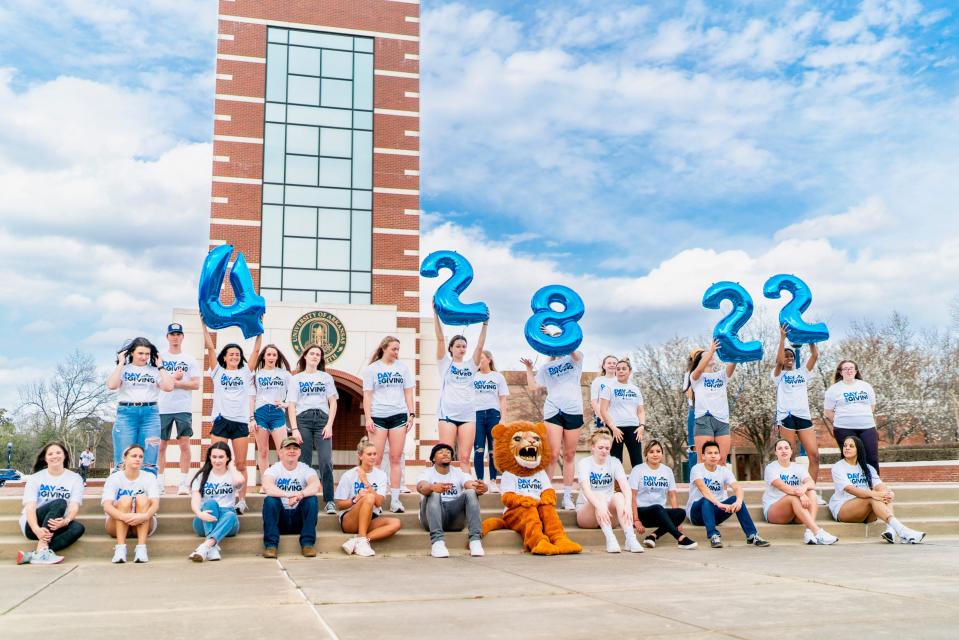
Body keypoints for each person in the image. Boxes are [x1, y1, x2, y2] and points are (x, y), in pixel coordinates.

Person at [202, 324, 261, 515]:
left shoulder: (245, 373)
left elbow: (257, 350)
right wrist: (203, 325)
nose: (235, 356)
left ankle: (241, 500)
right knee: (215, 461)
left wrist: (259, 327)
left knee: (241, 464)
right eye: (231, 354)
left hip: (240, 423)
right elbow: (210, 348)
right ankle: (212, 498)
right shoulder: (218, 372)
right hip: (221, 421)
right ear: (225, 357)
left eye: (237, 354)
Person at [520, 348, 584, 511]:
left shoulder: (574, 359)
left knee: (569, 454)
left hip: (574, 410)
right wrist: (529, 369)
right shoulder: (546, 367)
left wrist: (560, 338)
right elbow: (533, 386)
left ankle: (567, 496)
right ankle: (547, 493)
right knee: (553, 453)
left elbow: (574, 353)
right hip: (553, 410)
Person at [830, 435, 925, 543]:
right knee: (872, 497)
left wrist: (888, 493)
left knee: (884, 496)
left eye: (851, 446)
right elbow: (849, 489)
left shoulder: (867, 468)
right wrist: (873, 494)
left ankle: (891, 530)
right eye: (845, 446)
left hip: (866, 511)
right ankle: (902, 531)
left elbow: (879, 485)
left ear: (858, 450)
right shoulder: (838, 467)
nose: (846, 448)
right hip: (844, 508)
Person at [362, 336, 415, 513]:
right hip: (378, 416)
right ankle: (376, 500)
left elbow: (408, 392)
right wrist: (368, 418)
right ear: (384, 348)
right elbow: (367, 396)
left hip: (398, 416)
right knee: (375, 460)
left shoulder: (403, 368)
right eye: (394, 349)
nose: (396, 352)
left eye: (398, 349)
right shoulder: (372, 369)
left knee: (395, 458)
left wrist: (411, 414)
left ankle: (395, 500)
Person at [107, 337, 175, 476]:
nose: (144, 357)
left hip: (150, 415)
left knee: (149, 460)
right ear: (132, 353)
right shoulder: (124, 369)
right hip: (126, 414)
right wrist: (121, 363)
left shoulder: (154, 371)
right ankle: (121, 494)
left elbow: (168, 387)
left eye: (147, 354)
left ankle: (146, 494)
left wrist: (160, 366)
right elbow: (112, 385)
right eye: (140, 353)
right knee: (123, 459)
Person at [773, 325, 823, 503]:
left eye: (791, 356)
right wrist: (782, 338)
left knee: (814, 455)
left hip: (803, 416)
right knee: (790, 455)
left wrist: (810, 339)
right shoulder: (778, 375)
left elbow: (815, 356)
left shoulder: (802, 373)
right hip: (786, 416)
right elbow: (779, 362)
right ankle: (791, 491)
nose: (788, 358)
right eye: (786, 356)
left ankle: (811, 491)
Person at [433, 309, 489, 473]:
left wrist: (485, 324)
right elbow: (440, 339)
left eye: (464, 346)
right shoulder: (445, 363)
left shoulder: (471, 365)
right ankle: (444, 492)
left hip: (468, 415)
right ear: (451, 349)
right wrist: (435, 314)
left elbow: (480, 345)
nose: (462, 349)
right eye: (458, 346)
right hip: (448, 415)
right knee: (445, 456)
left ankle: (467, 493)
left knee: (465, 458)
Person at [686, 440, 769, 548]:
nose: (713, 456)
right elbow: (704, 490)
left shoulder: (724, 471)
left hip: (716, 512)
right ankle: (713, 536)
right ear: (703, 456)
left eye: (716, 453)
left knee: (735, 499)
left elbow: (737, 487)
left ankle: (752, 535)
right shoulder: (697, 469)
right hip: (696, 513)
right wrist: (719, 504)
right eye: (709, 453)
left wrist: (738, 502)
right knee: (707, 500)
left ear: (719, 456)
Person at [287, 344, 339, 515]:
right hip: (303, 420)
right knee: (304, 461)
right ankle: (303, 499)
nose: (315, 356)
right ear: (305, 357)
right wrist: (294, 429)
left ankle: (329, 500)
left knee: (326, 461)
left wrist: (330, 424)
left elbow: (333, 402)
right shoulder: (296, 379)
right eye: (312, 353)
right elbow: (292, 405)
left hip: (322, 420)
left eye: (318, 354)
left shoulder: (326, 377)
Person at [16, 442, 85, 565]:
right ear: (45, 458)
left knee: (78, 528)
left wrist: (66, 521)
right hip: (33, 525)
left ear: (65, 455)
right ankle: (42, 547)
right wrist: (36, 529)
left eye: (58, 453)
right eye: (50, 454)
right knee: (60, 503)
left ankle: (35, 554)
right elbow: (30, 508)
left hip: (56, 525)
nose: (55, 456)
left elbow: (74, 505)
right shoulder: (35, 478)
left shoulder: (75, 478)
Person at [575, 429, 643, 553]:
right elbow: (586, 489)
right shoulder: (584, 463)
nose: (604, 451)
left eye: (607, 448)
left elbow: (625, 487)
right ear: (593, 447)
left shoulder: (614, 462)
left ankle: (630, 539)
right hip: (588, 514)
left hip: (609, 514)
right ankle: (610, 539)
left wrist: (628, 505)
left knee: (619, 496)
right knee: (599, 496)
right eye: (601, 447)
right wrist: (599, 506)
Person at [417, 443, 487, 558]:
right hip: (431, 518)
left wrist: (480, 487)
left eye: (448, 452)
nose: (445, 453)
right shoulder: (426, 473)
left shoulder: (458, 473)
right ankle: (437, 543)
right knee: (433, 493)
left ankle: (475, 541)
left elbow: (469, 484)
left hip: (455, 519)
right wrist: (432, 487)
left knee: (470, 492)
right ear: (433, 458)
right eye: (441, 452)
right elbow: (421, 487)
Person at [762, 439, 837, 545]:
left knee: (811, 492)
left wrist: (805, 487)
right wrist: (801, 493)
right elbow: (783, 487)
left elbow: (811, 483)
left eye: (786, 448)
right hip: (774, 511)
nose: (783, 451)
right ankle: (818, 533)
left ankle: (809, 532)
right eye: (780, 448)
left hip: (797, 510)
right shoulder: (771, 468)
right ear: (775, 453)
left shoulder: (798, 467)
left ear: (791, 451)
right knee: (792, 497)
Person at [335, 439, 402, 557]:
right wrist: (355, 499)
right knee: (369, 497)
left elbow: (379, 502)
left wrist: (366, 481)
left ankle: (361, 541)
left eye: (374, 454)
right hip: (350, 519)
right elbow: (339, 504)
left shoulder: (381, 475)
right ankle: (361, 540)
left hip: (370, 517)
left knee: (396, 523)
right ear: (360, 456)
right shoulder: (349, 475)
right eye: (369, 454)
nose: (373, 457)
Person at [629, 440, 697, 549]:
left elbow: (672, 496)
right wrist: (636, 520)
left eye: (658, 451)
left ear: (662, 453)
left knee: (680, 513)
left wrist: (678, 521)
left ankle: (653, 536)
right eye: (651, 452)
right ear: (646, 454)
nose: (655, 454)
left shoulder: (667, 471)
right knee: (657, 507)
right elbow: (632, 496)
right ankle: (680, 538)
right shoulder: (638, 470)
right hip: (642, 513)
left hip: (660, 514)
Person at [157, 323, 201, 496]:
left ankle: (183, 484)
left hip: (183, 407)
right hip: (163, 408)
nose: (175, 337)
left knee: (184, 445)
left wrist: (175, 383)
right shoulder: (160, 358)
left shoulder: (189, 359)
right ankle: (159, 483)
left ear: (182, 337)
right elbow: (157, 383)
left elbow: (196, 384)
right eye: (172, 334)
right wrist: (172, 379)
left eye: (178, 334)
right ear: (167, 337)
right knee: (160, 446)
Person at [261, 437, 320, 558]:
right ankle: (271, 546)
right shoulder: (274, 469)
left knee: (312, 500)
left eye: (295, 448)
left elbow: (315, 485)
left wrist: (300, 495)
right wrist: (287, 495)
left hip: (299, 519)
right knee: (270, 500)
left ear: (299, 452)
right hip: (279, 520)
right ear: (280, 452)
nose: (292, 451)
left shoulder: (306, 469)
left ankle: (307, 544)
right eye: (288, 448)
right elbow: (267, 486)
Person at [102, 444, 160, 563]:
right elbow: (107, 506)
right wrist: (123, 516)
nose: (138, 459)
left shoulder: (149, 477)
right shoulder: (114, 478)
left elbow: (155, 504)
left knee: (142, 498)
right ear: (125, 458)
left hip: (143, 521)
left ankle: (141, 549)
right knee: (125, 499)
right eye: (134, 456)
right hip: (118, 522)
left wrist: (145, 516)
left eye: (140, 456)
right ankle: (120, 549)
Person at [188, 442, 245, 562]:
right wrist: (199, 513)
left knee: (230, 514)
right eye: (214, 457)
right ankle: (211, 546)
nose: (217, 460)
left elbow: (240, 482)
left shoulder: (233, 475)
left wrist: (231, 466)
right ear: (209, 457)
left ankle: (207, 546)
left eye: (221, 457)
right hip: (204, 520)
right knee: (210, 503)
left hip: (228, 523)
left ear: (228, 458)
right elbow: (195, 498)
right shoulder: (202, 475)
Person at [824, 360, 881, 473]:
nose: (849, 370)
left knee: (871, 458)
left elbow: (872, 406)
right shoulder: (834, 389)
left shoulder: (866, 386)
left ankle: (874, 486)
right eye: (845, 368)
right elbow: (828, 411)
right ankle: (850, 488)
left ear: (856, 371)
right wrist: (841, 420)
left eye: (851, 368)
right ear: (840, 372)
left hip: (867, 427)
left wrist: (862, 416)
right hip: (844, 429)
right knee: (850, 458)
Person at [686, 340, 736, 466]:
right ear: (700, 362)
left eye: (711, 355)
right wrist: (711, 351)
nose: (711, 355)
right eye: (706, 356)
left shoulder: (721, 376)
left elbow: (733, 363)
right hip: (704, 420)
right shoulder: (695, 377)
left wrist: (734, 347)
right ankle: (700, 486)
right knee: (703, 461)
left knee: (722, 460)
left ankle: (721, 486)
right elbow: (698, 370)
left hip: (722, 421)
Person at [251, 344, 292, 493]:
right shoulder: (257, 375)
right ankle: (265, 483)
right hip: (260, 413)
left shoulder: (284, 374)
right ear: (263, 356)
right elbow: (252, 397)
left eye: (274, 355)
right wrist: (251, 418)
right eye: (268, 354)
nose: (271, 357)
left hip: (277, 413)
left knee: (283, 451)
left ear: (277, 357)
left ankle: (282, 482)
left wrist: (286, 404)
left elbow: (296, 395)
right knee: (263, 451)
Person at [599, 359, 646, 470]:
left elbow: (641, 411)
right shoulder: (609, 387)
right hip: (615, 428)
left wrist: (642, 426)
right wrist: (613, 428)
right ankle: (616, 486)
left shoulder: (635, 389)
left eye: (624, 369)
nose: (621, 371)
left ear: (629, 371)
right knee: (615, 460)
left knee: (637, 461)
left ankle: (637, 486)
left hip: (634, 428)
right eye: (618, 369)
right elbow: (603, 410)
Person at [472, 349, 508, 492]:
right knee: (479, 449)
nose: (479, 361)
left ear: (489, 359)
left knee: (493, 451)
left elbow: (503, 398)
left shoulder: (498, 377)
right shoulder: (473, 377)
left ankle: (493, 482)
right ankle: (480, 481)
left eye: (481, 358)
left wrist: (503, 418)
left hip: (494, 415)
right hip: (476, 415)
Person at [589, 355, 618, 428]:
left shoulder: (622, 381)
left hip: (619, 418)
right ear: (604, 366)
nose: (612, 365)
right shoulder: (598, 381)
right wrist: (603, 418)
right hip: (601, 418)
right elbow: (594, 402)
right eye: (609, 363)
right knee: (604, 439)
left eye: (614, 363)